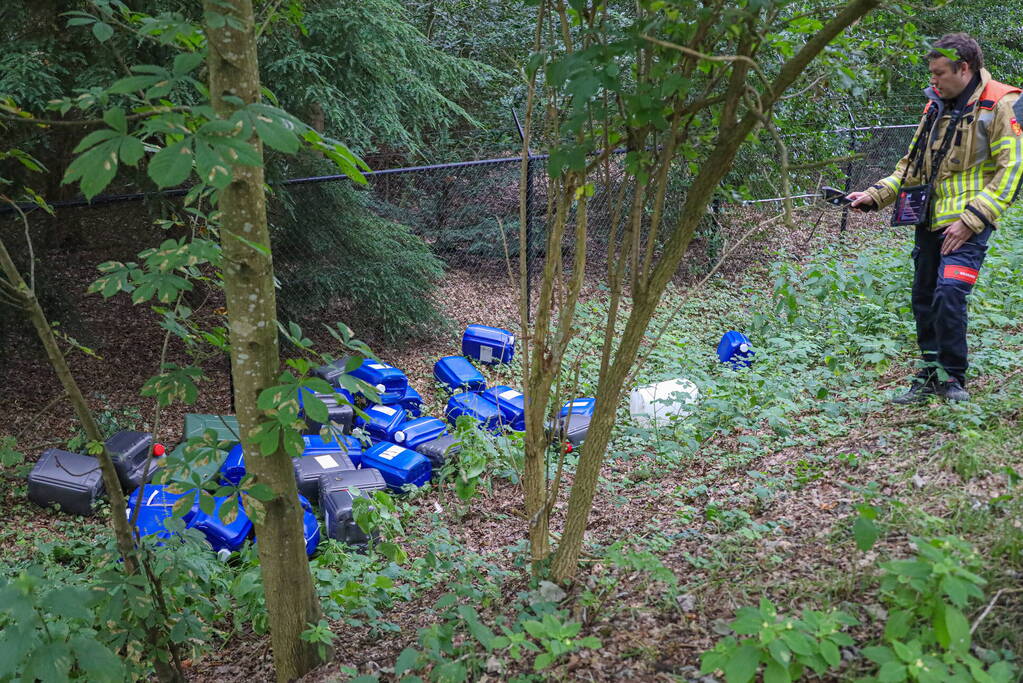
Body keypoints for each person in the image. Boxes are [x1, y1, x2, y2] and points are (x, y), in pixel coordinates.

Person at [847, 33, 1023, 403]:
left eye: (940, 73)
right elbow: (909, 166)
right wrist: (874, 195)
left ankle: (952, 380)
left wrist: (973, 219)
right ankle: (929, 375)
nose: (934, 80)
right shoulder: (934, 106)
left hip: (967, 224)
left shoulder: (1000, 104)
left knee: (949, 293)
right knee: (924, 298)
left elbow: (1012, 170)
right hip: (927, 220)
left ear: (964, 68)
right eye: (931, 73)